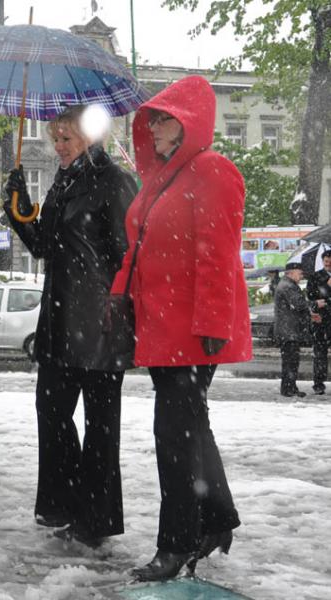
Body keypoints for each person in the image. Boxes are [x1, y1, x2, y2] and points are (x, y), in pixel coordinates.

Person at [109, 75, 252, 581]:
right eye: (154, 118)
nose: (156, 126)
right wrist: (118, 294)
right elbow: (139, 245)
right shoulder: (159, 180)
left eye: (167, 117)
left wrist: (213, 320)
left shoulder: (213, 171)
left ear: (192, 122)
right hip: (161, 326)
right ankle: (217, 518)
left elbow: (218, 252)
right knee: (192, 431)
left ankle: (178, 544)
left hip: (193, 330)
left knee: (172, 435)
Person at [2, 105, 137, 546]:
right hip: (59, 318)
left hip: (99, 322)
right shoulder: (64, 181)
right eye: (54, 138)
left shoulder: (113, 182)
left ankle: (96, 518)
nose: (58, 147)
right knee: (52, 412)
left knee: (101, 425)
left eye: (66, 138)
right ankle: (62, 502)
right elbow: (43, 245)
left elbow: (128, 255)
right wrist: (18, 211)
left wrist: (114, 311)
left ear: (90, 137)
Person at [275, 262, 323, 397]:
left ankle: (291, 387)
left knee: (292, 361)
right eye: (300, 273)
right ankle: (288, 389)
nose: (302, 275)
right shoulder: (287, 286)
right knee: (290, 362)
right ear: (291, 272)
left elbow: (295, 308)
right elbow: (298, 304)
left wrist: (310, 315)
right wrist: (315, 303)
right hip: (288, 331)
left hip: (290, 330)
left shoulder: (289, 284)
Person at [306, 250, 331, 394]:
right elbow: (310, 297)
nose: (327, 263)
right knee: (320, 353)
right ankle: (319, 384)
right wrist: (327, 286)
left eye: (329, 260)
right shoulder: (315, 276)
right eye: (325, 260)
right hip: (321, 321)